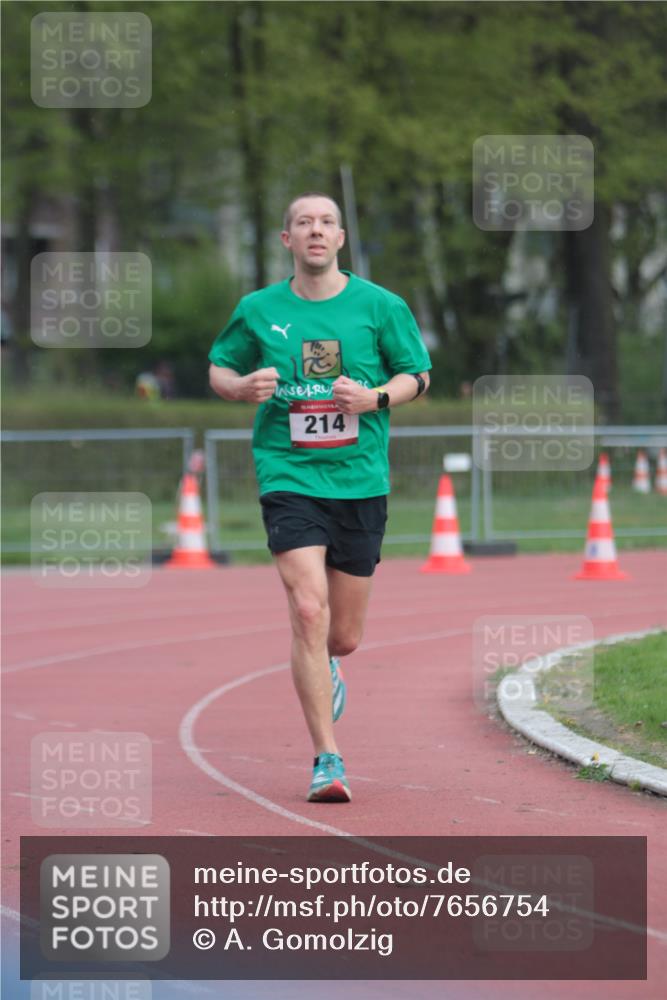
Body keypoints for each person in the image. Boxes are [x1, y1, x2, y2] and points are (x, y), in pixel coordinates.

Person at [208, 192, 431, 803]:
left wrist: (376, 398)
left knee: (343, 636)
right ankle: (327, 760)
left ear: (339, 239)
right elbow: (219, 367)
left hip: (360, 480)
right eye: (303, 223)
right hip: (289, 474)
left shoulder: (381, 306)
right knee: (309, 610)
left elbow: (418, 374)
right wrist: (239, 388)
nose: (315, 230)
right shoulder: (258, 309)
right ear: (287, 240)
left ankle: (329, 662)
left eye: (326, 222)